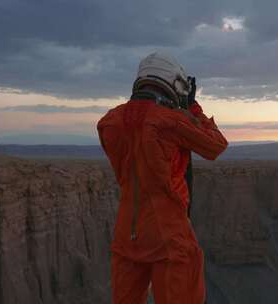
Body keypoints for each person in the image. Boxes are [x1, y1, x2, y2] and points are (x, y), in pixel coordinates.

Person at [97, 52, 228, 304]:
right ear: (175, 82)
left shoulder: (109, 121)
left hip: (128, 235)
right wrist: (192, 107)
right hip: (168, 235)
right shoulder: (169, 121)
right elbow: (216, 146)